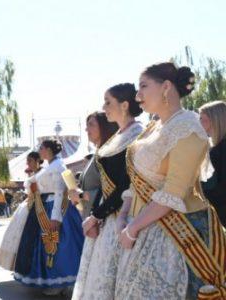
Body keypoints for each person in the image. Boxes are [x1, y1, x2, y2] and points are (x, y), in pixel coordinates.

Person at [115, 63, 226, 299]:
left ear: (166, 87)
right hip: (143, 226)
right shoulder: (153, 128)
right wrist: (125, 217)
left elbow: (174, 192)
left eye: (144, 86)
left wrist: (133, 228)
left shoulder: (188, 127)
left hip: (180, 233)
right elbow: (136, 182)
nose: (138, 95)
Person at [72, 84, 144, 300]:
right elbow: (105, 185)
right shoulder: (117, 137)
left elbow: (127, 184)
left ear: (124, 105)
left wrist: (96, 215)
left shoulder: (138, 135)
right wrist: (96, 216)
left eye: (108, 102)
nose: (104, 108)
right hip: (108, 216)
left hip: (127, 216)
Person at [13, 140, 85, 296]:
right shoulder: (51, 165)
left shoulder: (57, 166)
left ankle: (61, 281)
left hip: (57, 209)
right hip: (47, 206)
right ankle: (55, 280)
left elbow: (59, 192)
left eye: (41, 147)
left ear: (49, 150)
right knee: (50, 244)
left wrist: (56, 218)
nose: (39, 150)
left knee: (58, 244)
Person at [0, 151, 43, 272]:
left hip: (38, 206)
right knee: (18, 235)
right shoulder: (35, 174)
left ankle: (30, 266)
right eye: (27, 161)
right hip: (28, 205)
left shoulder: (43, 173)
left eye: (30, 161)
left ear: (37, 161)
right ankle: (17, 264)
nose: (27, 163)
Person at [69, 111, 118, 218]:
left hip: (104, 218)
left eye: (91, 124)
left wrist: (80, 195)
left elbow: (110, 191)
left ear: (104, 127)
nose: (86, 129)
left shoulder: (108, 154)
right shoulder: (98, 153)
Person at [199, 100, 226, 225]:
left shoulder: (218, 151)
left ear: (214, 120)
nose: (199, 123)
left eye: (202, 119)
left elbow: (217, 189)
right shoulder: (216, 149)